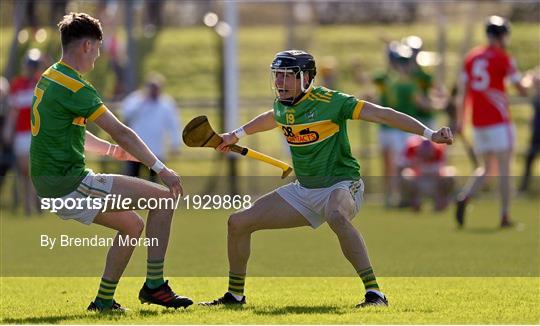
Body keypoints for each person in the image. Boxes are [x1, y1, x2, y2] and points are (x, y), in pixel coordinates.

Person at [200, 50, 453, 307]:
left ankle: (375, 294)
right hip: (304, 190)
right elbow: (272, 117)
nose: (279, 82)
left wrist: (430, 134)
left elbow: (382, 114)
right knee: (237, 222)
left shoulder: (332, 101)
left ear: (307, 78)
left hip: (343, 184)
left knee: (335, 214)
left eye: (287, 76)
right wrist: (236, 134)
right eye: (277, 75)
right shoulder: (283, 105)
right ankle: (235, 296)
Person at [30, 12, 192, 312]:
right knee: (164, 199)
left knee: (132, 224)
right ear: (88, 46)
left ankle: (103, 301)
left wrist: (109, 151)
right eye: (99, 48)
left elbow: (66, 130)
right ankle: (155, 286)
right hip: (68, 184)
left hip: (51, 183)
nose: (100, 56)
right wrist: (162, 169)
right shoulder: (76, 87)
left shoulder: (51, 76)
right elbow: (121, 130)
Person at [455, 16, 528, 228]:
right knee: (505, 169)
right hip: (499, 121)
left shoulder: (471, 58)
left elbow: (463, 93)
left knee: (487, 168)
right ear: (500, 36)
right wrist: (531, 80)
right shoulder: (503, 58)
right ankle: (505, 216)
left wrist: (460, 121)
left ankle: (465, 196)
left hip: (478, 122)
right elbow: (522, 88)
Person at [3, 49, 43, 216]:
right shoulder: (17, 85)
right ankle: (27, 205)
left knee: (37, 171)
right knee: (24, 171)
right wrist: (8, 130)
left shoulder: (41, 84)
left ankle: (38, 203)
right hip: (21, 133)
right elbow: (13, 111)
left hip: (37, 133)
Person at [122, 72, 181, 182]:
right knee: (132, 181)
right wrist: (143, 101)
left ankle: (151, 200)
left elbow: (174, 125)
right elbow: (126, 114)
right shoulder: (136, 99)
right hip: (136, 150)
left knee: (153, 182)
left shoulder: (167, 104)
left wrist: (175, 143)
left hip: (156, 151)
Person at [400, 135, 456, 211]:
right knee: (406, 175)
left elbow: (439, 170)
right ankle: (412, 200)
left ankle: (442, 199)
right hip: (418, 180)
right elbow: (402, 165)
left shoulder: (438, 150)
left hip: (435, 180)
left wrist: (422, 168)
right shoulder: (412, 148)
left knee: (450, 174)